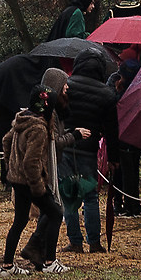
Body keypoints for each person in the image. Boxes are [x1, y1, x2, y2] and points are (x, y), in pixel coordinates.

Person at [0, 75, 67, 273]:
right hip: (30, 182)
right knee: (55, 213)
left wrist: (12, 167)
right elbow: (31, 162)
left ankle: (7, 266)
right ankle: (49, 262)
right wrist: (38, 187)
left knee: (19, 221)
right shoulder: (37, 127)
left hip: (17, 180)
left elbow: (6, 141)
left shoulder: (22, 119)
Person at [46, 68, 103, 254]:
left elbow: (57, 137)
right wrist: (75, 134)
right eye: (63, 85)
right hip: (83, 150)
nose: (67, 87)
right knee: (88, 196)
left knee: (70, 197)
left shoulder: (59, 105)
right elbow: (54, 140)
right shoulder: (101, 91)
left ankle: (76, 241)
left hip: (72, 151)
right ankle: (93, 242)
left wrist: (73, 133)